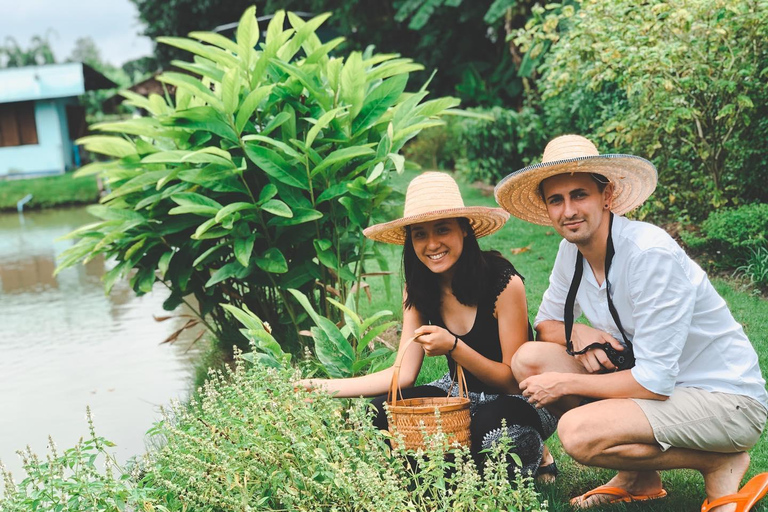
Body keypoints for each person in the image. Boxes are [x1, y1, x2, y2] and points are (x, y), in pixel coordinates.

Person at [494, 134, 768, 511]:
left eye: (579, 194)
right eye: (556, 200)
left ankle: (719, 460)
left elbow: (655, 382)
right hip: (660, 386)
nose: (568, 210)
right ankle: (638, 477)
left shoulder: (649, 255)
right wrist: (581, 334)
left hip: (723, 399)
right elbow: (546, 324)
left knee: (577, 434)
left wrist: (565, 382)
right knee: (529, 359)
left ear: (606, 197)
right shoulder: (569, 251)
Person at [299, 171, 557, 478]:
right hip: (457, 396)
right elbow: (403, 374)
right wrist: (321, 387)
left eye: (442, 229)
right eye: (420, 234)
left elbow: (513, 381)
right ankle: (454, 464)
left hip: (521, 400)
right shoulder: (420, 288)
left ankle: (537, 451)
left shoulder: (503, 283)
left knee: (490, 436)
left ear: (464, 229)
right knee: (378, 414)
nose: (431, 244)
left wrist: (454, 347)